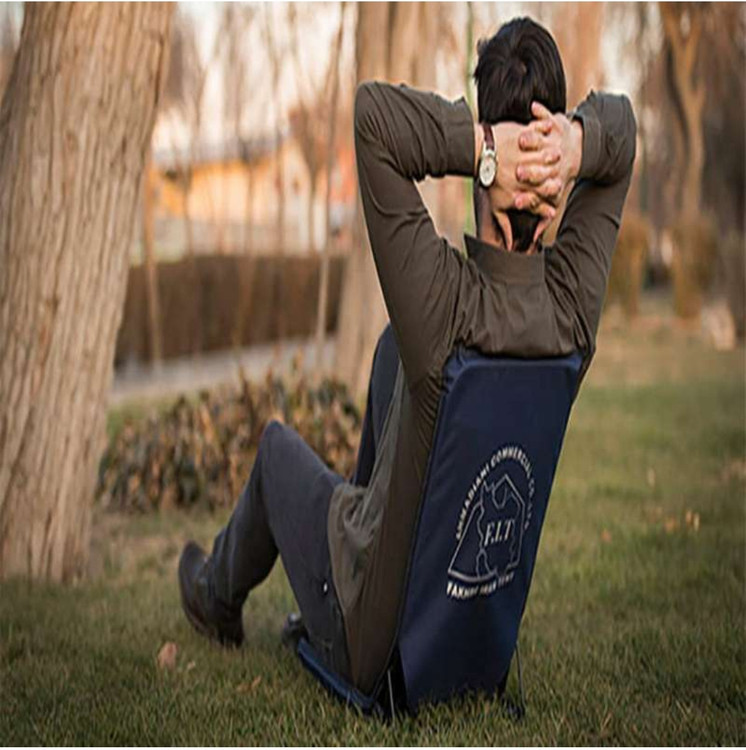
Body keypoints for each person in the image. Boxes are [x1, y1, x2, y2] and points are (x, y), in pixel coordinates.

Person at [178, 16, 636, 697]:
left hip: (378, 650)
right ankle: (363, 521)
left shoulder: (445, 307)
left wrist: (486, 151)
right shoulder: (569, 312)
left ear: (491, 167)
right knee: (395, 351)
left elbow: (374, 118)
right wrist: (572, 144)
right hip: (474, 647)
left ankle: (216, 597)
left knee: (275, 452)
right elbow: (623, 131)